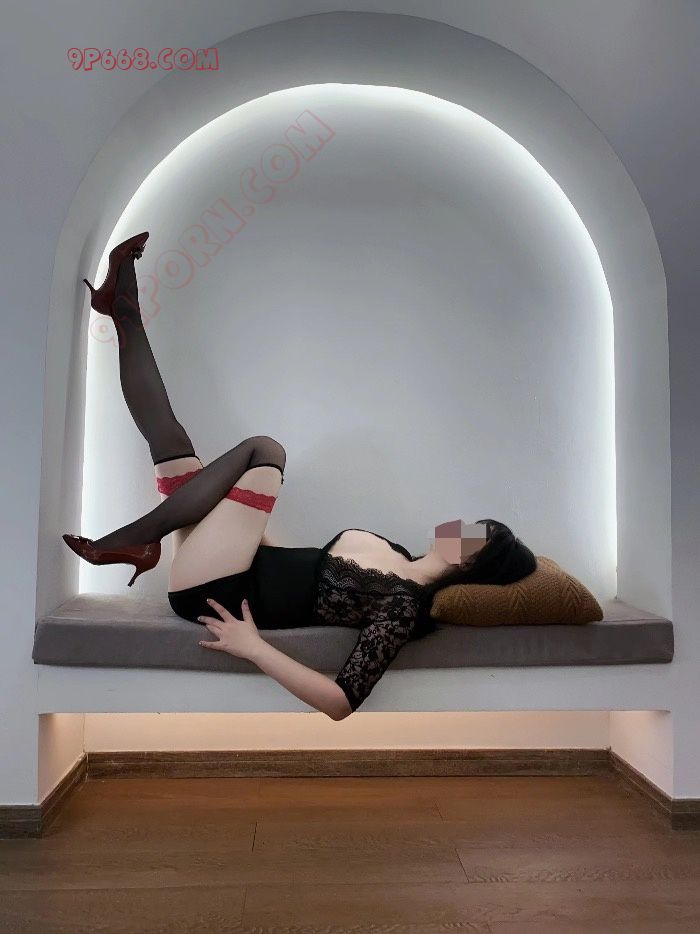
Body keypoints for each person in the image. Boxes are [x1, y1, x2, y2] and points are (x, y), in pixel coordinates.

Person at [64, 232, 537, 719]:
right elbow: (287, 567)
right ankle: (122, 307)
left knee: (266, 452)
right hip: (230, 561)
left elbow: (341, 702)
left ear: (471, 563)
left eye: (472, 533)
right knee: (170, 441)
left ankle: (138, 539)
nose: (460, 524)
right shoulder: (395, 552)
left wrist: (254, 648)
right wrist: (239, 521)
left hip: (217, 589)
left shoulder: (403, 606)